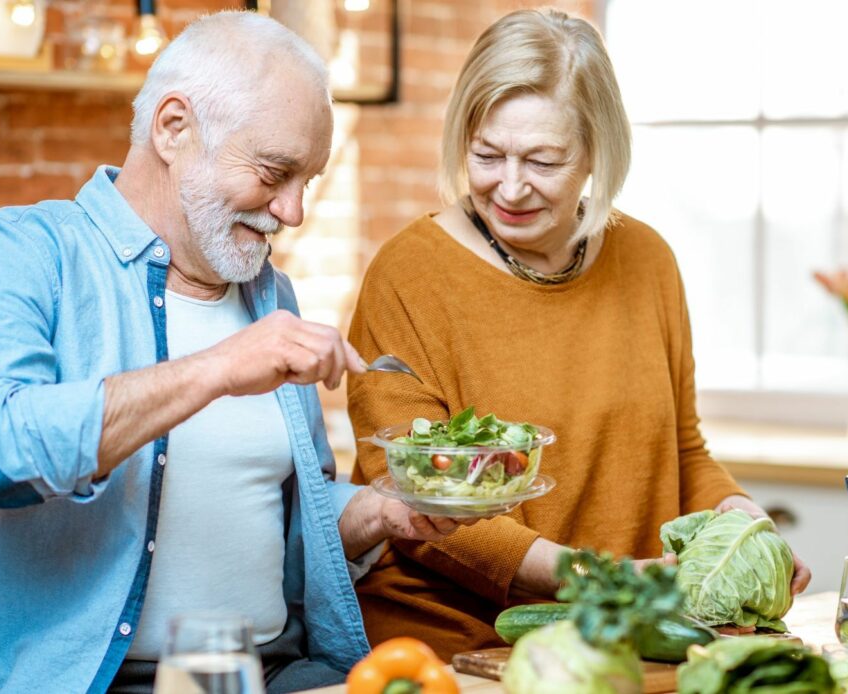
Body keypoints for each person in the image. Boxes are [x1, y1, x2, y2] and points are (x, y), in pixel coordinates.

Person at [0, 11, 470, 693]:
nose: (294, 211)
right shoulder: (27, 251)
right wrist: (216, 369)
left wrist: (382, 513)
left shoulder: (268, 296)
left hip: (276, 672)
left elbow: (270, 532)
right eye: (275, 172)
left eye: (308, 181)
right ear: (173, 127)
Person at [346, 8, 813, 659]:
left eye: (543, 160)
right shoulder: (408, 275)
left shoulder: (648, 260)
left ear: (597, 151)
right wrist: (594, 578)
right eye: (486, 154)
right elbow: (413, 500)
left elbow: (683, 451)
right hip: (457, 647)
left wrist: (744, 527)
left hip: (623, 636)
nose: (509, 186)